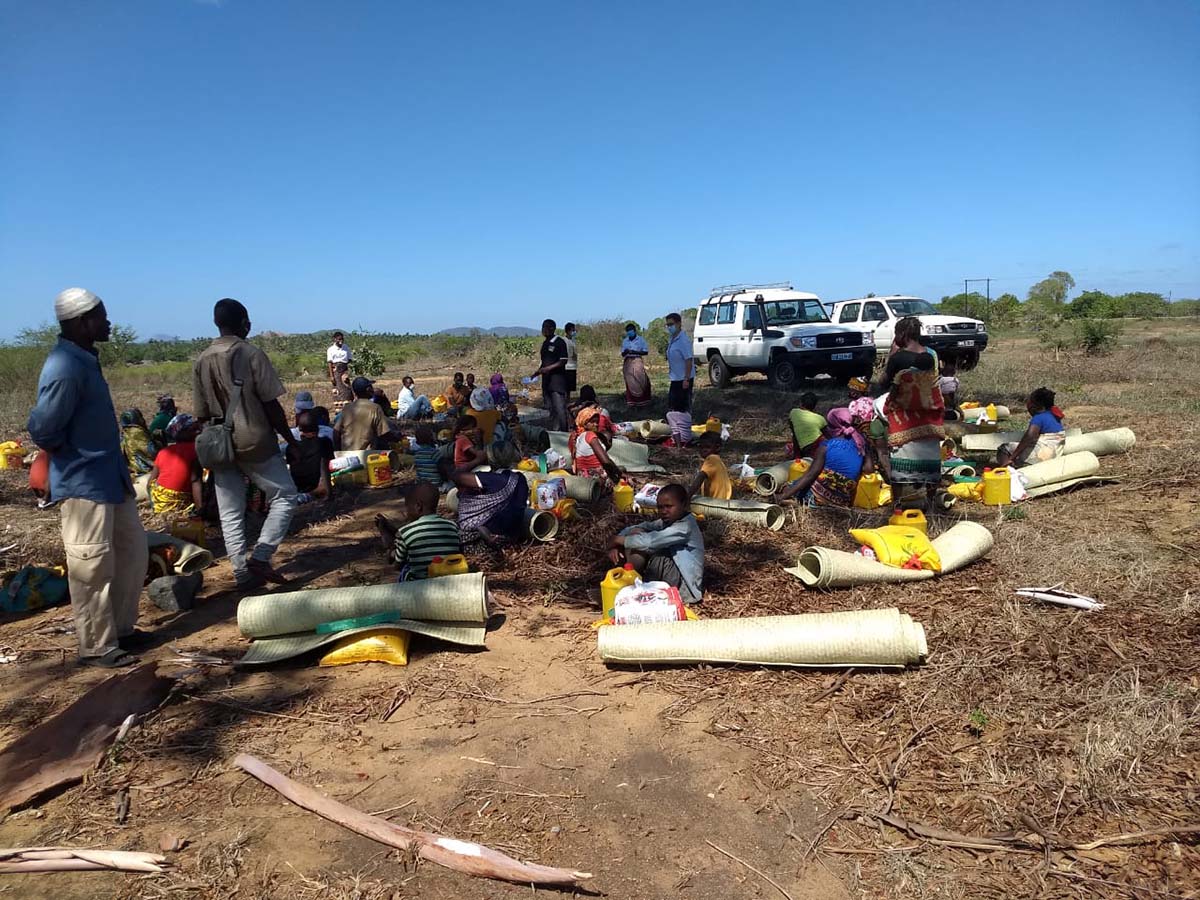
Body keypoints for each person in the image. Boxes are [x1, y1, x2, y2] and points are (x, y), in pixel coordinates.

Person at [27, 287, 149, 667]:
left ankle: (122, 629)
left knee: (131, 554)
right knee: (91, 563)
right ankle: (97, 646)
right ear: (82, 322)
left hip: (110, 478)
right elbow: (45, 429)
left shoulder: (83, 359)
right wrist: (73, 457)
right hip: (84, 483)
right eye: (101, 316)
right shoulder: (64, 367)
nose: (108, 323)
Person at [193, 297, 299, 588]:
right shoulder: (251, 354)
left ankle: (241, 573)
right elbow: (271, 405)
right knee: (285, 496)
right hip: (253, 437)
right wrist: (290, 439)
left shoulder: (201, 360)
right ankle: (262, 556)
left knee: (230, 511)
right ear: (245, 323)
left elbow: (201, 413)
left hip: (218, 442)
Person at [879, 316, 945, 508]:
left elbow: (884, 382)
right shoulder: (931, 355)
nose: (895, 337)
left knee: (900, 461)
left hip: (905, 419)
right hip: (929, 418)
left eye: (896, 334)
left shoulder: (898, 359)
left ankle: (898, 504)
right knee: (931, 460)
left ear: (903, 334)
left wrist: (891, 356)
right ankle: (931, 502)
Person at [609, 483, 704, 604]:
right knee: (636, 533)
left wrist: (618, 540)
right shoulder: (668, 521)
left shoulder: (685, 527)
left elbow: (651, 541)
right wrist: (617, 541)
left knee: (658, 555)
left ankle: (638, 591)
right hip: (672, 576)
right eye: (660, 507)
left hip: (683, 588)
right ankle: (628, 582)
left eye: (669, 506)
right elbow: (641, 526)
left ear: (684, 505)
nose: (664, 511)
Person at [778, 407, 873, 507]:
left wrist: (784, 496)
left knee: (787, 487)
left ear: (834, 426)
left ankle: (800, 502)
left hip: (821, 496)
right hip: (843, 500)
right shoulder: (861, 443)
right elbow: (869, 469)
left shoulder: (827, 445)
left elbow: (810, 475)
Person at [375, 483, 462, 580]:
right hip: (451, 580)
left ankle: (386, 535)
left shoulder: (405, 532)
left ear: (418, 507)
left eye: (407, 507)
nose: (406, 512)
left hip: (419, 585)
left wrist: (389, 545)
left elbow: (397, 566)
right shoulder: (453, 526)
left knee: (404, 568)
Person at [453, 468, 530, 546]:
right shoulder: (509, 485)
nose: (458, 494)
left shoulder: (468, 513)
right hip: (508, 535)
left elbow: (478, 526)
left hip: (499, 536)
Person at [148, 414, 204, 513]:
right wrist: (200, 510)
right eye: (194, 428)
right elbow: (195, 481)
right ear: (184, 433)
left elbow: (150, 482)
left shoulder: (164, 451)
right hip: (181, 502)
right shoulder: (196, 449)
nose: (199, 431)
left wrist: (153, 503)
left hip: (159, 501)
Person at [998, 387, 1066, 467]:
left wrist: (1013, 456)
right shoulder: (1054, 415)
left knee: (1004, 449)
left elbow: (1030, 436)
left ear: (1035, 405)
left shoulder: (1038, 418)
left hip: (1042, 455)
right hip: (1055, 453)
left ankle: (1006, 469)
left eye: (1030, 401)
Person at [335, 376, 396, 452]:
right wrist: (396, 437)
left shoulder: (347, 408)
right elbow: (384, 434)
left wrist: (338, 451)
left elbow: (336, 433)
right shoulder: (375, 408)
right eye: (371, 386)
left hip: (346, 454)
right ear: (368, 389)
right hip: (365, 455)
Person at [286, 410, 334, 502]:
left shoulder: (291, 447)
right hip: (316, 489)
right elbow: (325, 467)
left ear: (299, 429)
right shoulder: (324, 443)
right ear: (317, 428)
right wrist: (329, 493)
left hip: (297, 490)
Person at [531, 319, 569, 432]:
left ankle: (564, 432)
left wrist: (548, 369)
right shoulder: (545, 343)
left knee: (560, 408)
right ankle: (554, 431)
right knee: (550, 408)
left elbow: (563, 361)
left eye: (547, 327)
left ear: (553, 328)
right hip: (546, 382)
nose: (544, 330)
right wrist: (538, 372)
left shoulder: (559, 342)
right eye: (543, 327)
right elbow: (545, 361)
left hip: (557, 381)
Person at [664, 312, 694, 446]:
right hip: (675, 378)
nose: (669, 327)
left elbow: (688, 360)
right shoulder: (672, 338)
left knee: (680, 410)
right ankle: (678, 436)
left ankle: (684, 438)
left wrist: (686, 379)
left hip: (683, 379)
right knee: (673, 408)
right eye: (668, 324)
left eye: (671, 324)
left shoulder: (683, 340)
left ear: (679, 323)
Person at [570, 408, 624, 484]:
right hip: (594, 478)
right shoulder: (590, 435)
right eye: (592, 422)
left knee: (618, 469)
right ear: (585, 423)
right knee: (623, 476)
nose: (596, 424)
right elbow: (606, 462)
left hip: (583, 477)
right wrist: (619, 476)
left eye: (597, 422)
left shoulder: (579, 436)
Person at [620, 322, 652, 407]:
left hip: (637, 359)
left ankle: (643, 402)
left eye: (630, 330)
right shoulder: (625, 341)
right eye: (627, 331)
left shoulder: (641, 340)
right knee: (630, 381)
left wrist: (635, 351)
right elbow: (622, 354)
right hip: (628, 361)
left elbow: (645, 351)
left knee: (640, 379)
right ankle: (632, 402)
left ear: (634, 331)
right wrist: (626, 352)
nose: (629, 332)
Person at [119, 409, 158, 475]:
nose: (142, 420)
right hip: (144, 469)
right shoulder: (136, 432)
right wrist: (158, 442)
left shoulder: (124, 433)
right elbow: (151, 451)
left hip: (133, 468)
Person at [938, 357, 963, 422]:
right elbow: (957, 389)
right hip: (951, 406)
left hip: (943, 405)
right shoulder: (956, 380)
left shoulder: (942, 380)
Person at [563, 322, 579, 399]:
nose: (574, 332)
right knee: (566, 387)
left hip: (572, 366)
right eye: (573, 330)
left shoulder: (572, 340)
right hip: (567, 367)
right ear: (569, 330)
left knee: (569, 388)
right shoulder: (564, 341)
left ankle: (567, 401)